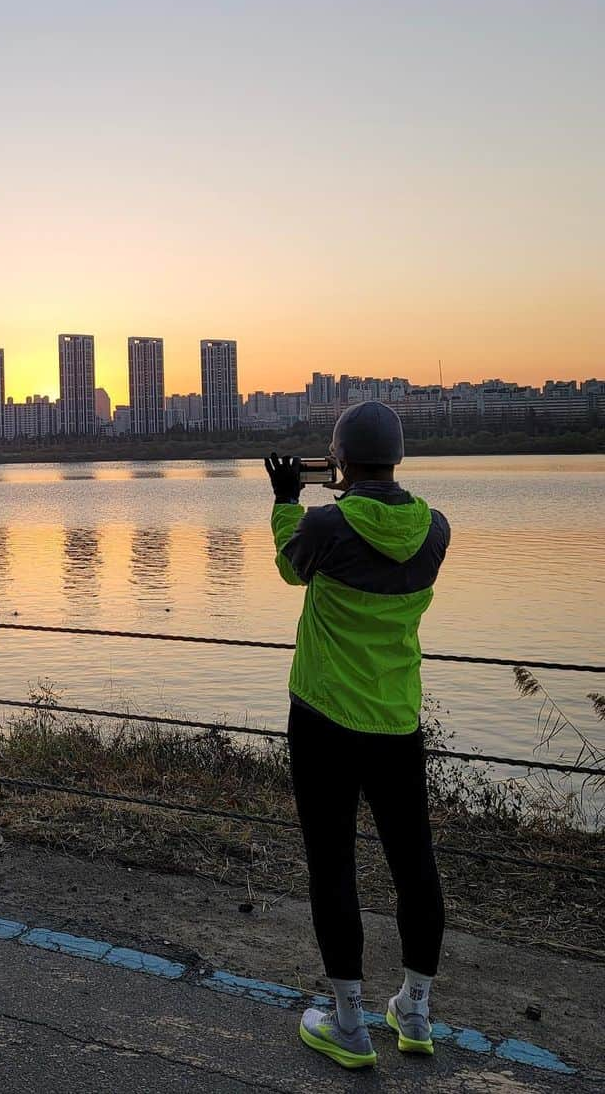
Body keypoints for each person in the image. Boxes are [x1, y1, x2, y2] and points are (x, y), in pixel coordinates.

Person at [264, 401, 450, 1070]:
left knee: (333, 865)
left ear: (339, 460)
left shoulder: (326, 526)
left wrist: (288, 499)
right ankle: (417, 1010)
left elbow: (291, 565)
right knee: (413, 865)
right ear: (397, 456)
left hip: (322, 719)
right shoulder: (435, 530)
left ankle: (347, 1024)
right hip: (397, 720)